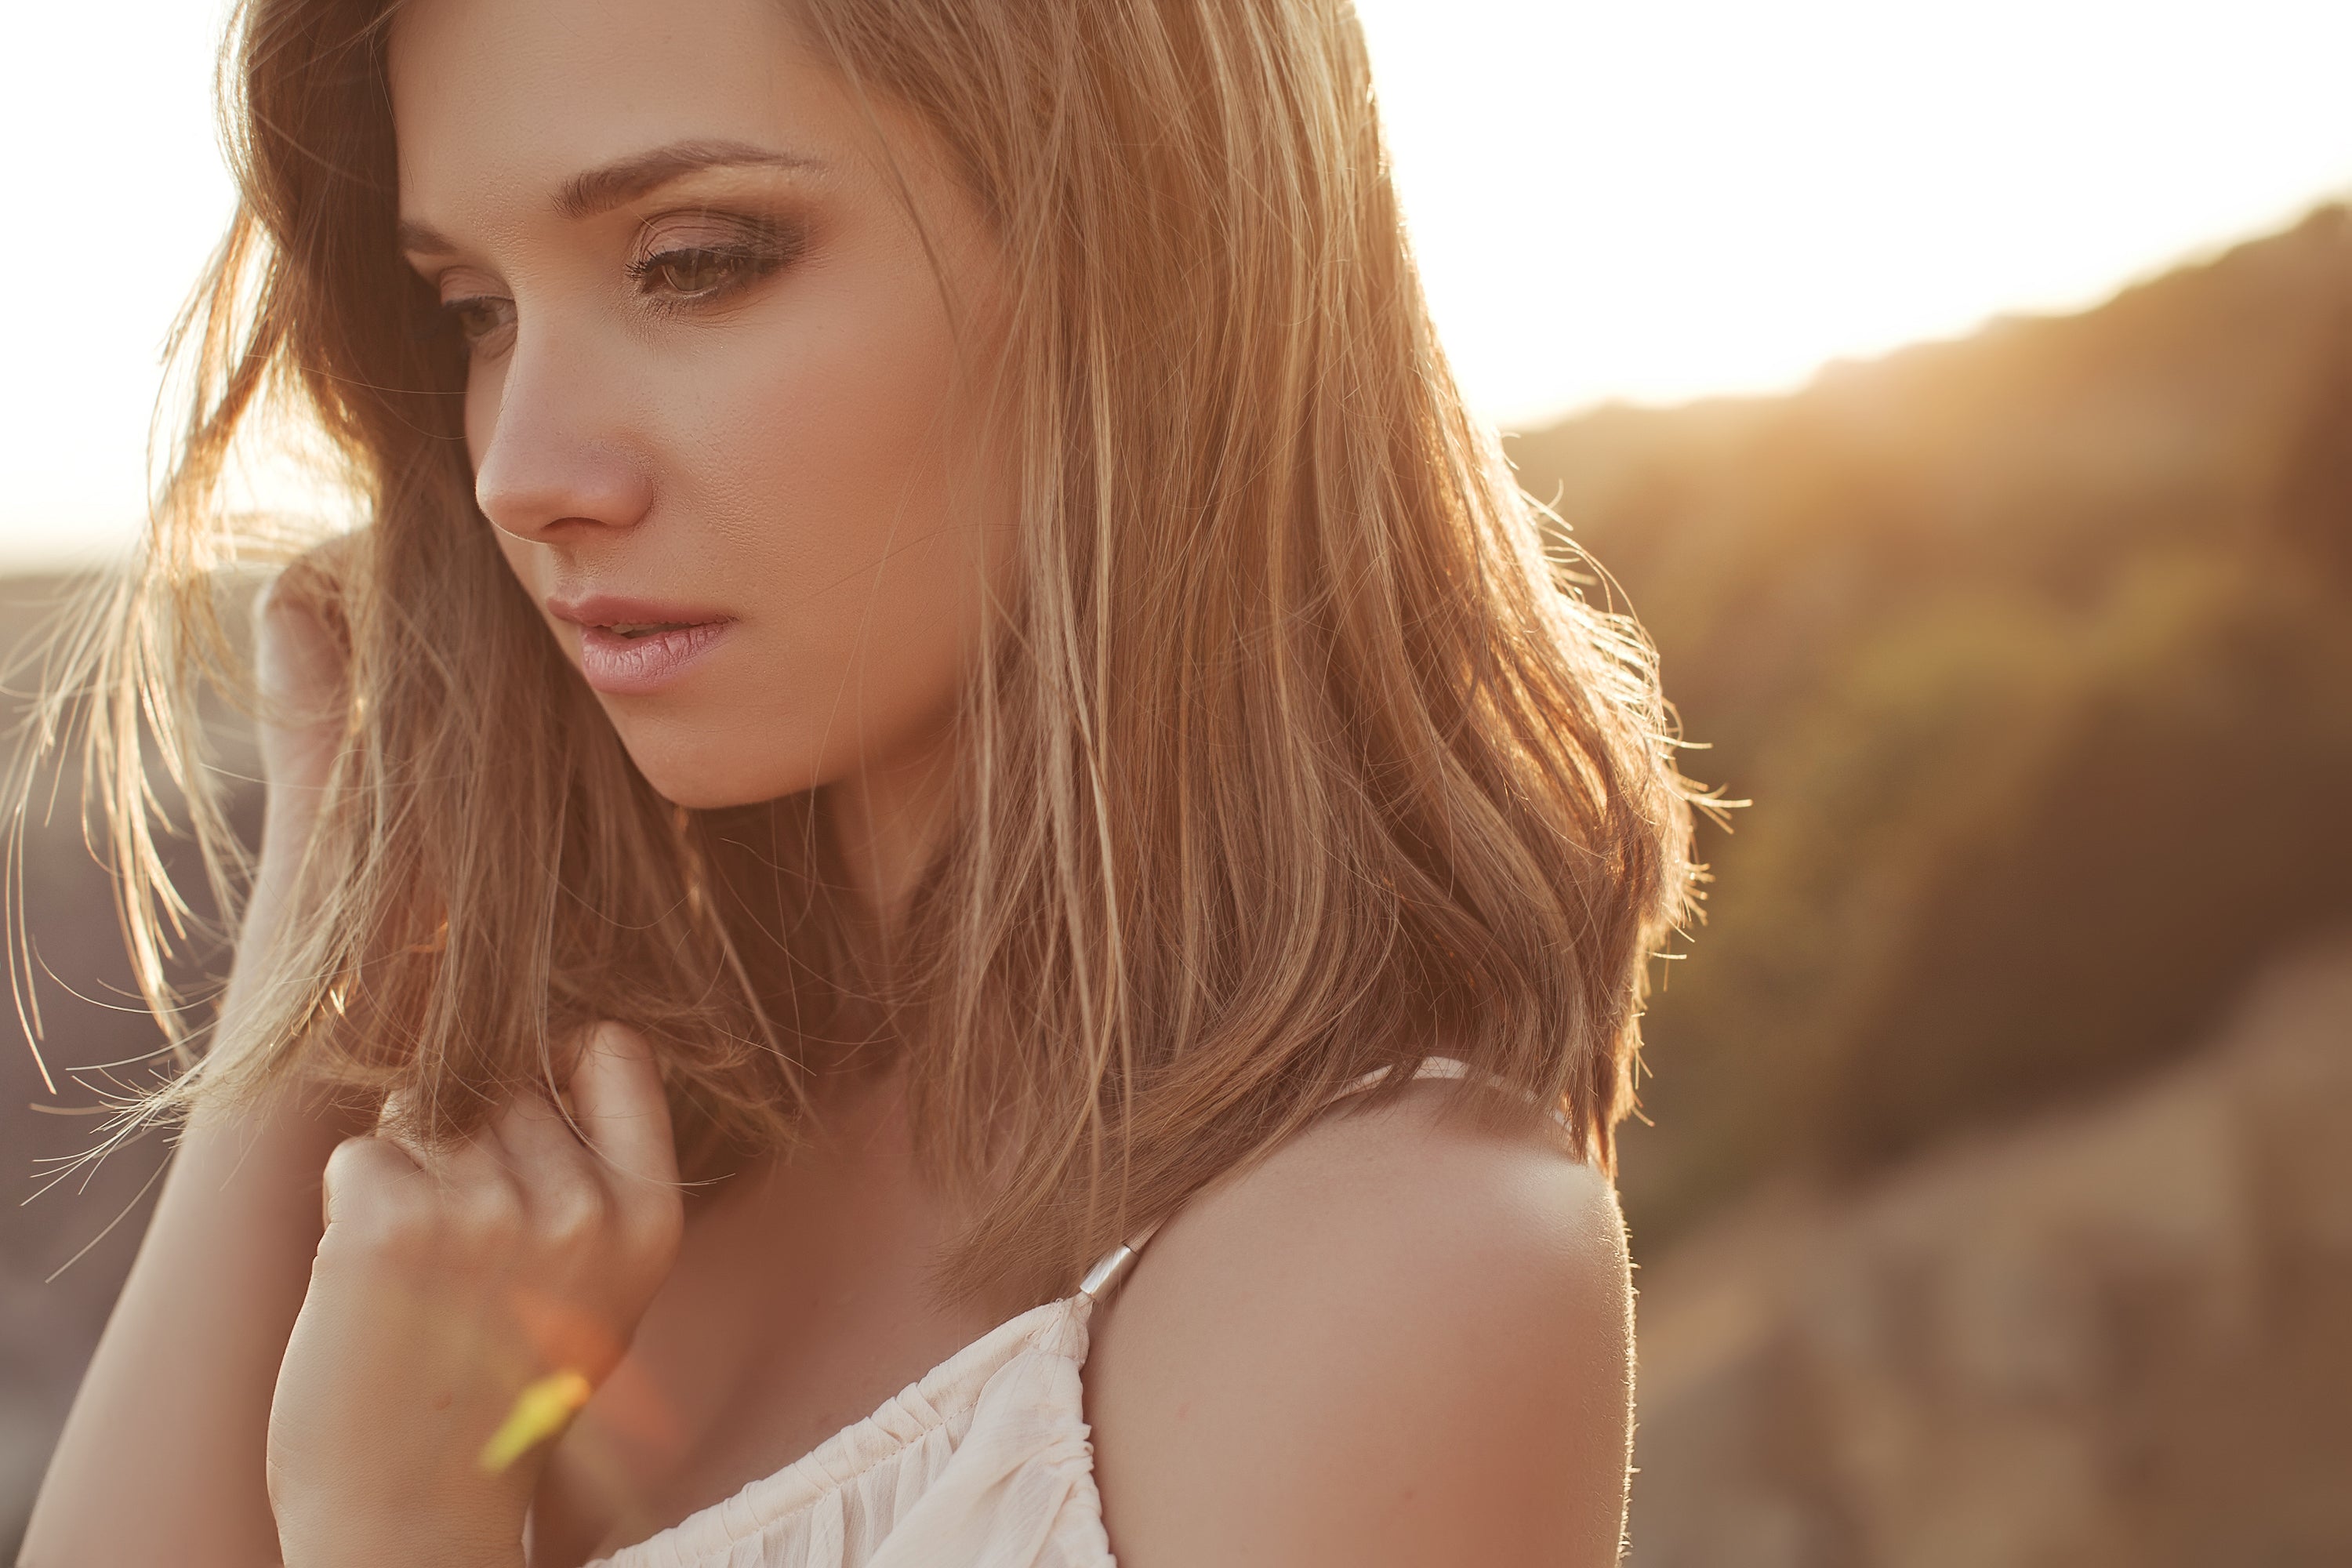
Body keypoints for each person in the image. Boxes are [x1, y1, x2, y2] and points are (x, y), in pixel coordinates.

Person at [20, 0, 1695, 1563]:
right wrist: (331, 921)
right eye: (475, 312)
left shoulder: (1403, 1275)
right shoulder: (557, 1178)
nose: (522, 474)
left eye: (694, 263)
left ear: (1146, 258)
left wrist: (398, 1522)